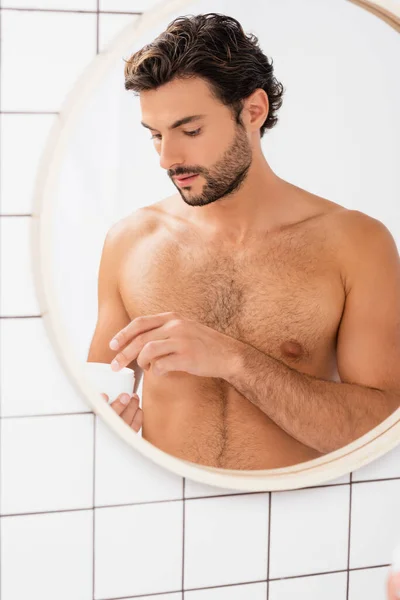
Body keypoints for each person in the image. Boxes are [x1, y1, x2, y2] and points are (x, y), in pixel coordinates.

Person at [87, 13, 400, 470]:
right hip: (161, 515)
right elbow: (97, 398)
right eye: (156, 136)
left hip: (297, 520)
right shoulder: (131, 242)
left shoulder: (355, 245)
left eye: (190, 131)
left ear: (253, 111)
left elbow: (379, 431)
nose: (168, 159)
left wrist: (234, 360)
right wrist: (102, 425)